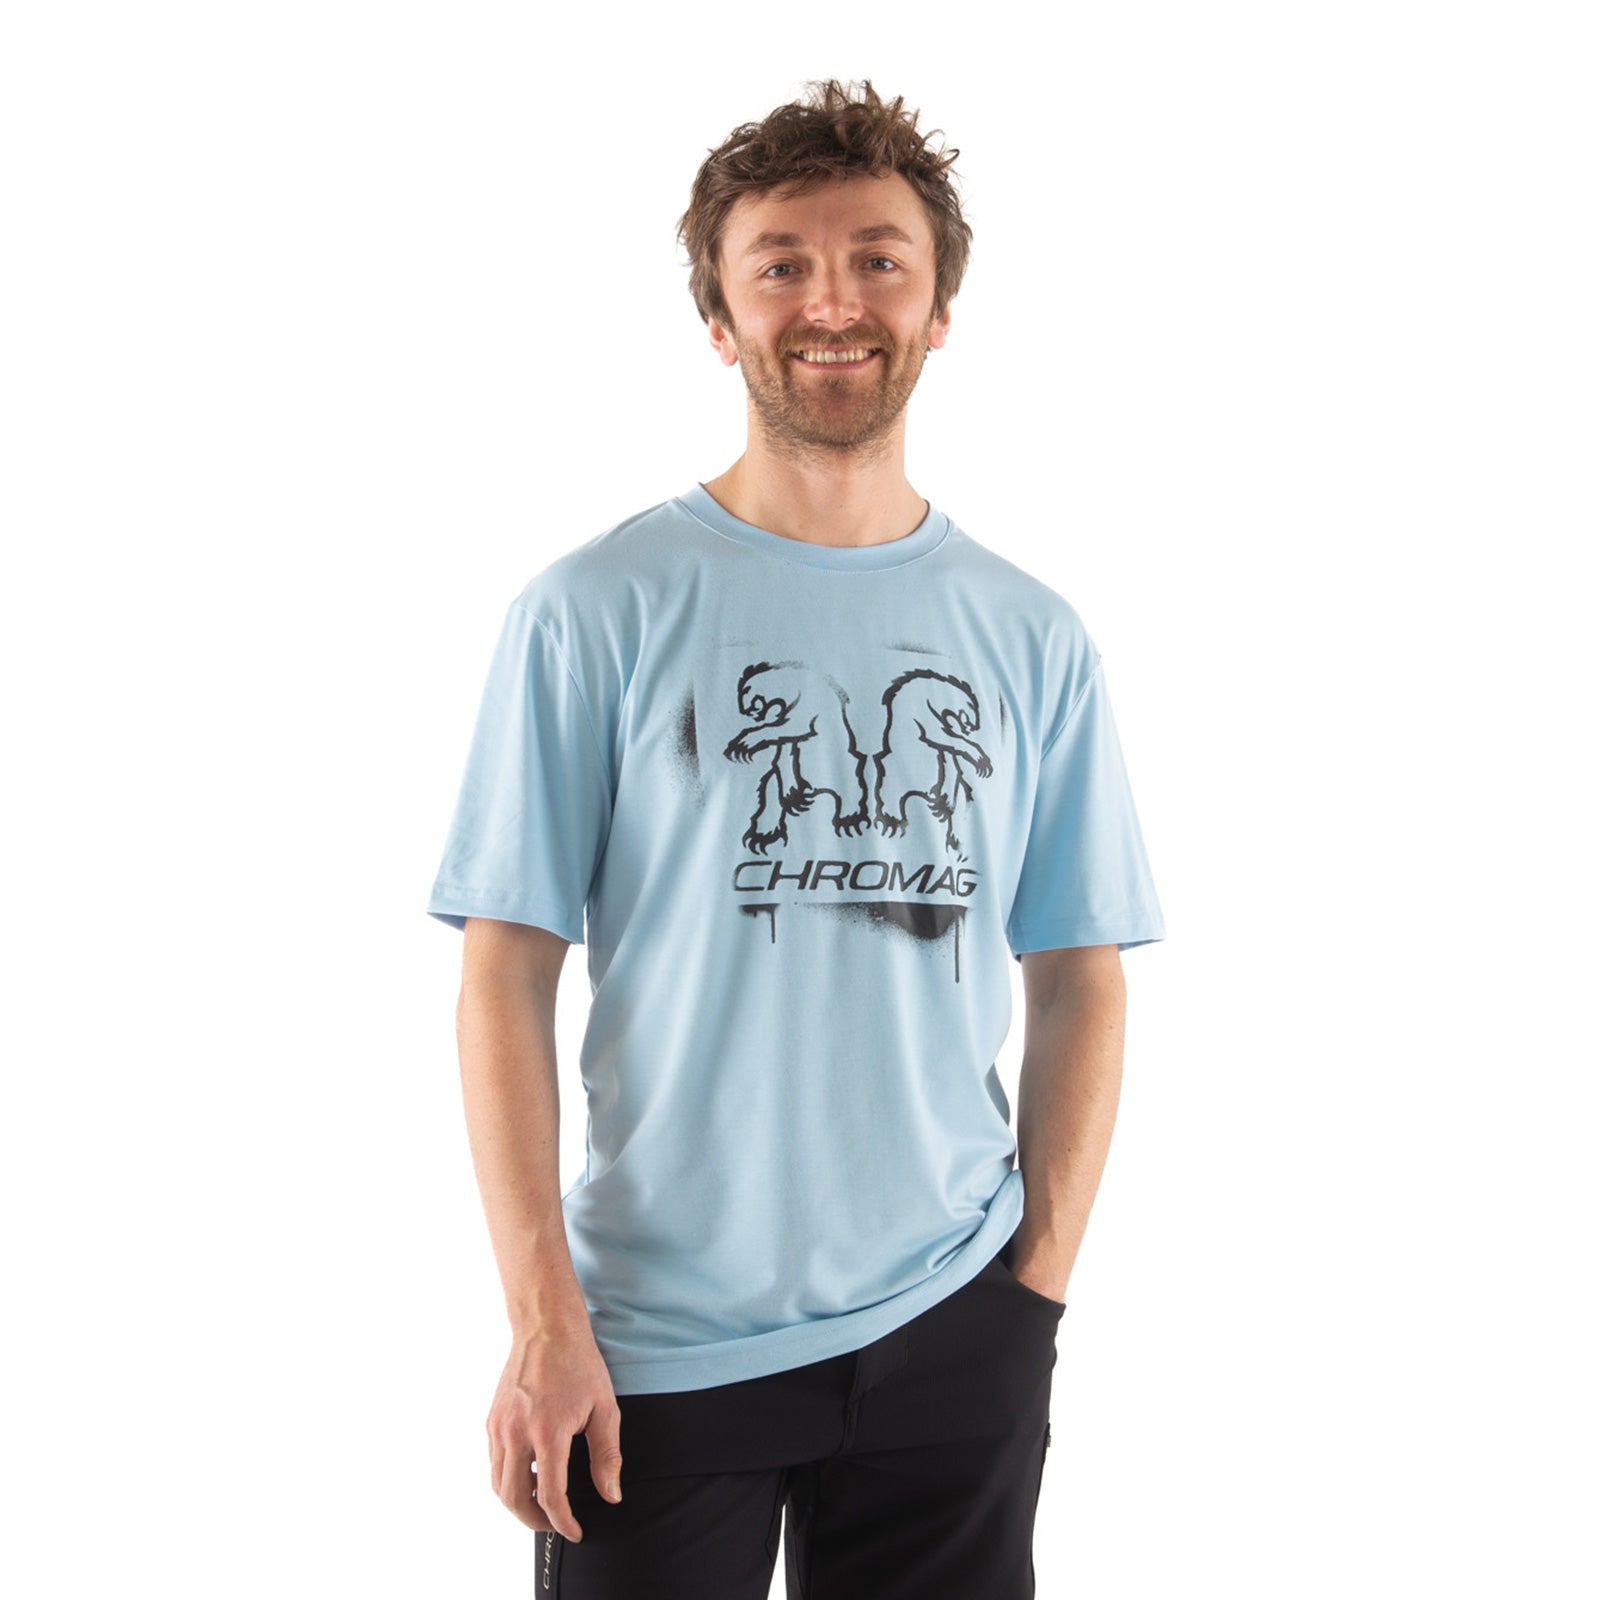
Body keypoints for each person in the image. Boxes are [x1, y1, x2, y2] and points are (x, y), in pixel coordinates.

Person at [425, 78, 1165, 1599]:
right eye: (782, 265)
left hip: (954, 1320)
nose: (833, 302)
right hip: (655, 1346)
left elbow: (1082, 969)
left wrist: (1033, 1289)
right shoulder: (592, 611)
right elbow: (505, 974)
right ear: (720, 317)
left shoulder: (1031, 633)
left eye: (879, 260)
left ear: (940, 309)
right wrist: (543, 1315)